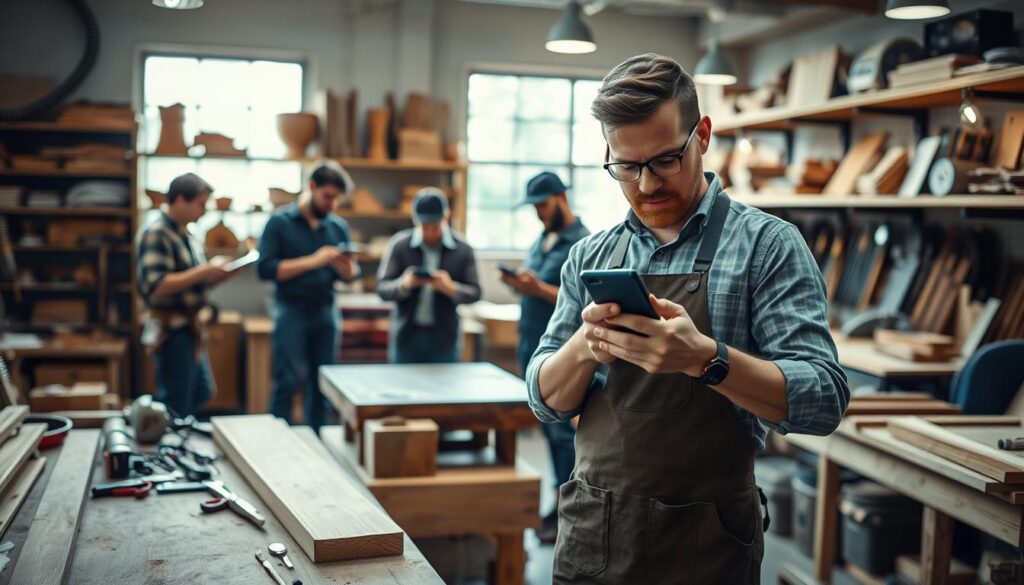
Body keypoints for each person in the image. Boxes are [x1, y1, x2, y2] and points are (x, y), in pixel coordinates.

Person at [526, 54, 850, 583]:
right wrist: (585, 344)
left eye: (664, 160)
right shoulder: (588, 258)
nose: (647, 184)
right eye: (626, 167)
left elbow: (823, 400)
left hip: (707, 547)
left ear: (702, 135)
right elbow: (545, 401)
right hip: (593, 539)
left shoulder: (766, 247)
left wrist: (707, 359)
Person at [500, 171, 589, 544]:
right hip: (530, 344)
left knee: (559, 433)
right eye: (534, 206)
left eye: (542, 204)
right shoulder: (542, 240)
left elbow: (584, 302)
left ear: (560, 197)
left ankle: (568, 506)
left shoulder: (582, 242)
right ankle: (559, 503)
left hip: (559, 354)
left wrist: (536, 288)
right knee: (547, 432)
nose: (538, 213)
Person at [257, 162, 360, 432]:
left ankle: (317, 444)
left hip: (326, 309)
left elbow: (348, 277)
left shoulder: (338, 227)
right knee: (287, 381)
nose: (332, 203)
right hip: (291, 309)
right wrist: (314, 261)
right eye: (328, 196)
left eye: (337, 198)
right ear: (311, 187)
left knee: (323, 383)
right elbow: (266, 269)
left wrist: (349, 272)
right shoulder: (279, 222)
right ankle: (278, 441)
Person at [137, 172, 236, 417]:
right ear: (180, 199)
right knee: (176, 400)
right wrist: (205, 270)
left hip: (190, 326)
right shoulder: (157, 232)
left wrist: (215, 276)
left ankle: (175, 433)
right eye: (200, 204)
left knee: (201, 390)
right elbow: (157, 285)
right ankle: (166, 444)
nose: (204, 211)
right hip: (172, 329)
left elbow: (189, 282)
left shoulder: (186, 234)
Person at [377, 188, 480, 363]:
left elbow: (476, 292)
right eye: (424, 227)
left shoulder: (463, 249)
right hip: (406, 336)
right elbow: (382, 288)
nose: (430, 233)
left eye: (435, 226)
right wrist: (404, 285)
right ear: (415, 219)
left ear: (446, 216)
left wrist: (451, 288)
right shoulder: (400, 245)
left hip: (444, 338)